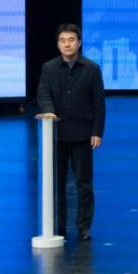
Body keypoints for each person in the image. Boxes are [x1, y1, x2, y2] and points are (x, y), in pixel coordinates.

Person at [36, 23, 106, 242]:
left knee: (84, 184)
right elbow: (43, 94)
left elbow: (99, 103)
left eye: (71, 40)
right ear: (58, 44)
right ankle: (59, 226)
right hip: (55, 135)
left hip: (83, 135)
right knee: (56, 183)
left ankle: (84, 227)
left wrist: (97, 132)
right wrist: (49, 112)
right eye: (63, 40)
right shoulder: (49, 68)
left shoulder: (92, 69)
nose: (67, 44)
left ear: (79, 43)